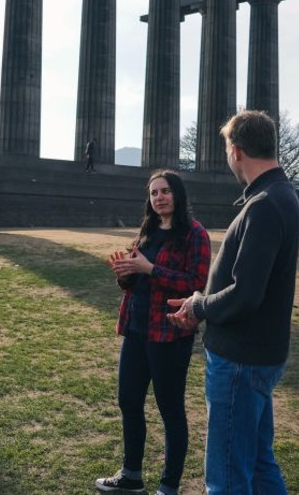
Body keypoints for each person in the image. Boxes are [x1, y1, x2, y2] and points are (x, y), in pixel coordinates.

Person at [168, 110, 299, 495]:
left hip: (241, 359)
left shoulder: (264, 204)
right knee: (259, 463)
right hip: (258, 355)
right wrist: (201, 299)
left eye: (227, 148)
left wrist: (199, 307)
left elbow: (246, 294)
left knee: (226, 477)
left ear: (236, 150)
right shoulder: (281, 196)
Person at [96, 170, 211, 495]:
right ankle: (131, 476)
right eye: (154, 193)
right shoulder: (146, 231)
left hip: (169, 335)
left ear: (178, 194)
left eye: (165, 191)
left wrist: (150, 269)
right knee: (129, 401)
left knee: (170, 409)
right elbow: (135, 282)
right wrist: (126, 273)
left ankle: (168, 486)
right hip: (136, 329)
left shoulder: (194, 234)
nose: (159, 197)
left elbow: (196, 284)